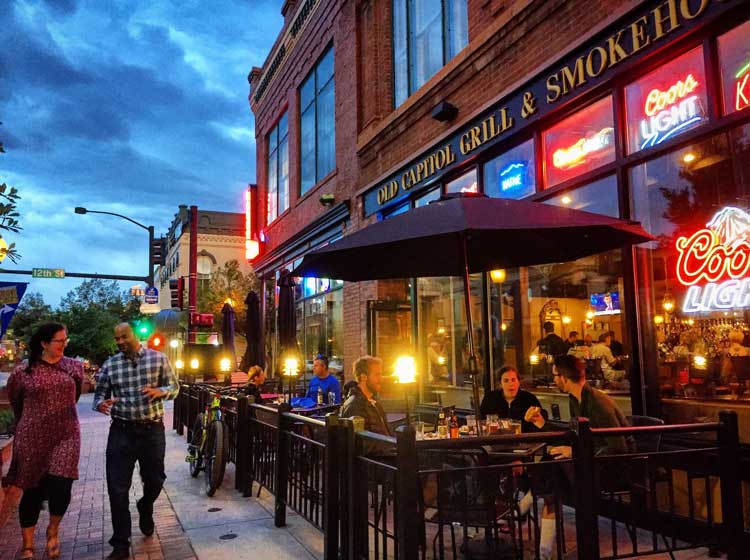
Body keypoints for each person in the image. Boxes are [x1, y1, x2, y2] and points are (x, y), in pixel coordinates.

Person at [526, 355, 631, 558]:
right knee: (553, 471)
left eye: (555, 375)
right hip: (589, 466)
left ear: (564, 377)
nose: (554, 379)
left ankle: (530, 498)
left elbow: (618, 448)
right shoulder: (576, 398)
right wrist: (542, 424)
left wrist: (574, 452)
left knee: (552, 473)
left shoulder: (597, 402)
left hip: (614, 469)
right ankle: (545, 552)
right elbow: (574, 438)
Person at [93, 323, 180, 560]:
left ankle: (145, 505)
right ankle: (120, 543)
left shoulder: (158, 359)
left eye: (124, 337)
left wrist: (161, 392)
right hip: (121, 432)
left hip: (152, 430)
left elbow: (175, 387)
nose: (119, 342)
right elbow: (99, 394)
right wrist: (101, 403)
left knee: (156, 480)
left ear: (135, 335)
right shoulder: (111, 365)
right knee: (117, 488)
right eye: (116, 338)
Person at [4, 322, 82, 559]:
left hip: (66, 434)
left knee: (62, 486)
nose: (63, 344)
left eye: (65, 339)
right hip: (32, 436)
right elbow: (16, 401)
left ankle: (53, 530)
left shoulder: (73, 368)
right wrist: (31, 421)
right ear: (44, 343)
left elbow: (75, 396)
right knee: (33, 490)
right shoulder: (23, 372)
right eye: (59, 340)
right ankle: (28, 544)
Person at [340, 356, 392, 454]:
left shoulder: (374, 401)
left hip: (387, 456)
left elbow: (386, 432)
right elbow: (361, 444)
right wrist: (392, 449)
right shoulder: (354, 405)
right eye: (377, 375)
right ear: (363, 377)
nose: (381, 379)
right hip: (377, 463)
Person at [479, 365, 546, 432]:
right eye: (506, 381)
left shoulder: (529, 398)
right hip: (497, 440)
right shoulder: (490, 398)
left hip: (523, 439)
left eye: (513, 380)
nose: (511, 384)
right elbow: (481, 420)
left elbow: (541, 421)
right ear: (500, 384)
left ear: (519, 382)